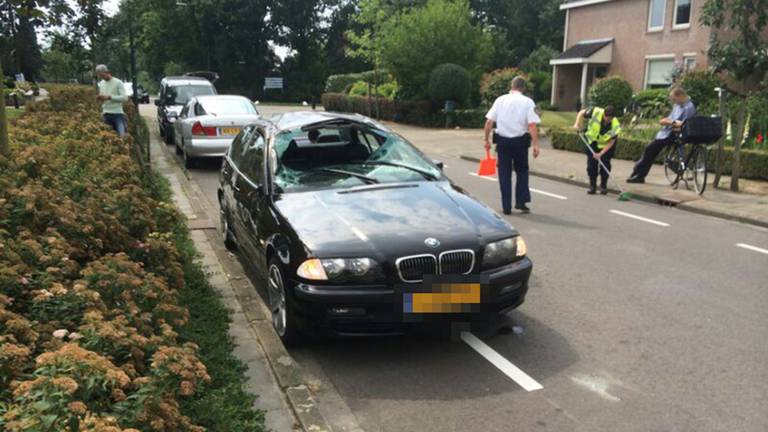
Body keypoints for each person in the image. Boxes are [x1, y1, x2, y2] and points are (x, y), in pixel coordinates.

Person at [483, 76, 541, 215]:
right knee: (522, 171)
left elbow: (489, 122)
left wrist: (486, 140)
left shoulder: (500, 100)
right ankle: (521, 202)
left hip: (503, 142)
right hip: (520, 142)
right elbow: (532, 125)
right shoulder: (528, 102)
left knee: (504, 173)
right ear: (523, 88)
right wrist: (536, 144)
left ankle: (506, 206)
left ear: (511, 86)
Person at [627, 87, 696, 183]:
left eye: (674, 99)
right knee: (650, 150)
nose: (673, 101)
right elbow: (671, 117)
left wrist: (669, 122)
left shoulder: (689, 107)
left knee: (650, 149)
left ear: (680, 96)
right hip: (668, 131)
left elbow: (684, 124)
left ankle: (639, 174)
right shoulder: (677, 105)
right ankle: (637, 173)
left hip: (675, 133)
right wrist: (667, 121)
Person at [573, 105, 621, 194]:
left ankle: (603, 186)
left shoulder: (616, 125)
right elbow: (581, 113)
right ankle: (592, 186)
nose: (608, 121)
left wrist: (601, 153)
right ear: (604, 115)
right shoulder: (595, 112)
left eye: (611, 119)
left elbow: (611, 142)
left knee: (605, 165)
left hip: (606, 145)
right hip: (592, 141)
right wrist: (577, 124)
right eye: (607, 118)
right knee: (591, 165)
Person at [95, 64, 128, 137]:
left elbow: (125, 98)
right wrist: (100, 98)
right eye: (100, 76)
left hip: (117, 114)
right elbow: (104, 97)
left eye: (102, 75)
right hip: (106, 114)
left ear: (107, 72)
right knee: (107, 138)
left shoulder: (118, 82)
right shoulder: (101, 83)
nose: (102, 78)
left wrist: (110, 97)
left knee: (122, 136)